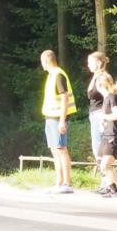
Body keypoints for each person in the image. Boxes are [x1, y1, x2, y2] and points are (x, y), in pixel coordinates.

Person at [40, 49, 76, 194]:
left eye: (42, 61)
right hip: (50, 117)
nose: (42, 65)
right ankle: (59, 182)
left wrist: (62, 121)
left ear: (47, 61)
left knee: (61, 149)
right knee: (55, 150)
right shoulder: (51, 76)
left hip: (58, 118)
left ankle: (67, 183)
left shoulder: (58, 75)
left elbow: (65, 98)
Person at [95, 72, 117, 197]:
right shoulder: (106, 99)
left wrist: (103, 116)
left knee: (105, 165)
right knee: (101, 163)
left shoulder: (112, 97)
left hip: (113, 136)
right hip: (106, 135)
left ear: (100, 85)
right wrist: (103, 123)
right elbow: (109, 118)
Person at [86, 51, 111, 180]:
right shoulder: (97, 76)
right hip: (95, 114)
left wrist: (105, 116)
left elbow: (109, 97)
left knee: (101, 150)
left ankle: (107, 183)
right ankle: (105, 183)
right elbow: (90, 94)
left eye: (90, 62)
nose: (88, 65)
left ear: (99, 63)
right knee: (97, 150)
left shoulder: (103, 77)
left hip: (100, 115)